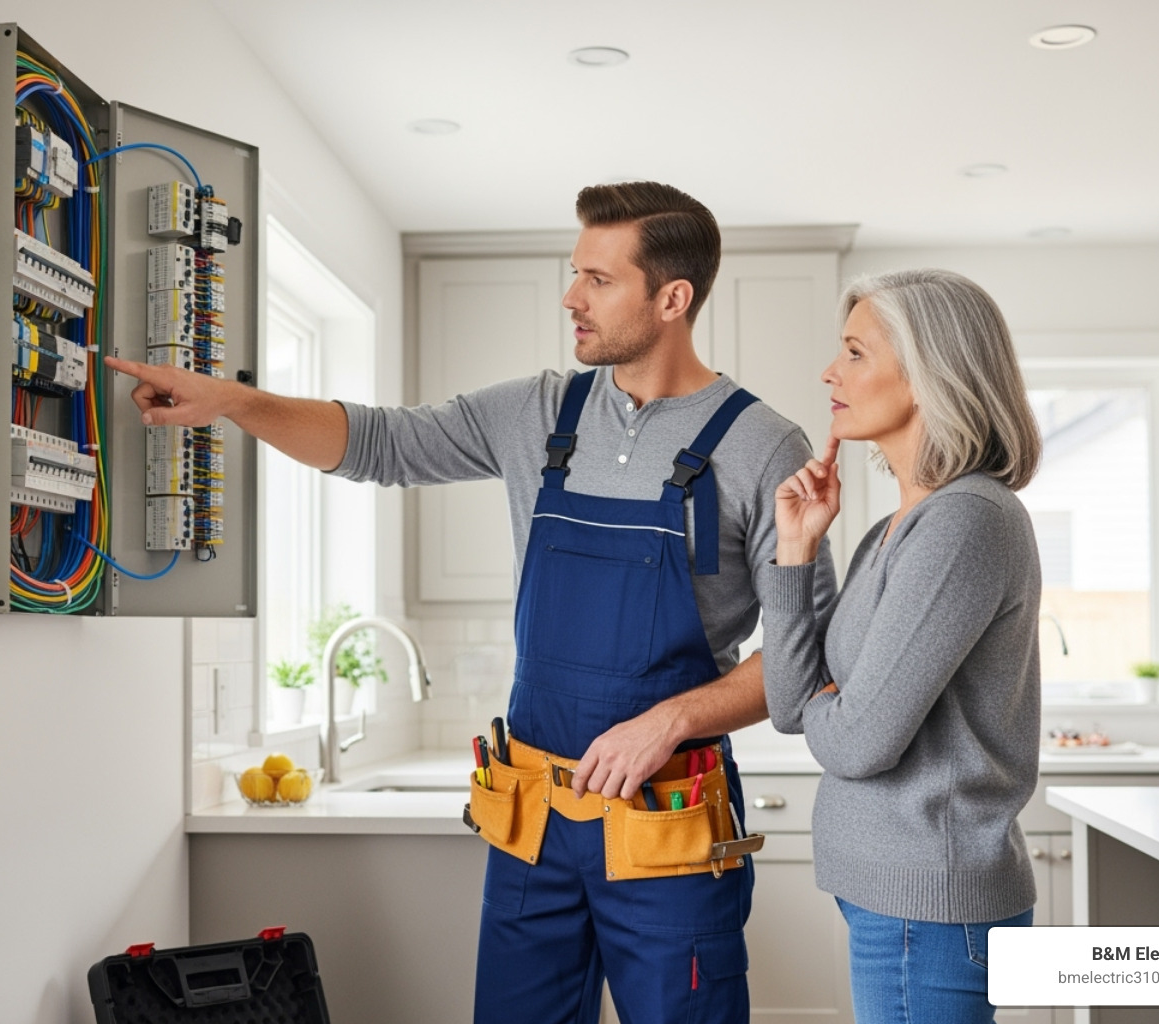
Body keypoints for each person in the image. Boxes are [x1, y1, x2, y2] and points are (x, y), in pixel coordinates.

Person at [107, 181, 836, 1024]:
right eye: (576, 272)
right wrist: (234, 403)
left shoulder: (762, 446)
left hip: (667, 819)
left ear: (672, 299)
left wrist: (670, 721)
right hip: (532, 822)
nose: (571, 297)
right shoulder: (538, 411)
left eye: (598, 280)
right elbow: (381, 442)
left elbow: (802, 664)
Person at [759, 268, 1043, 1024]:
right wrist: (796, 548)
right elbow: (790, 705)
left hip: (931, 909)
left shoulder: (966, 522)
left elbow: (859, 743)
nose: (830, 372)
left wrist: (836, 707)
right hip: (896, 901)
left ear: (928, 375)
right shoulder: (894, 532)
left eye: (855, 352)